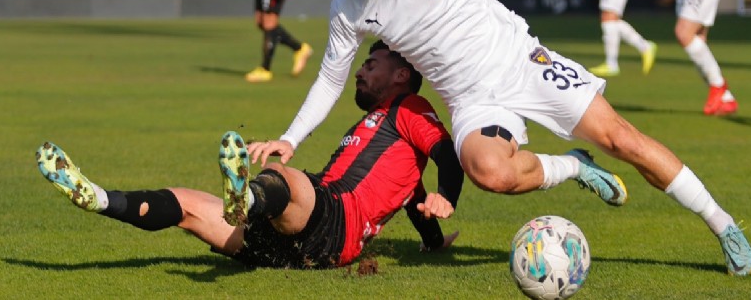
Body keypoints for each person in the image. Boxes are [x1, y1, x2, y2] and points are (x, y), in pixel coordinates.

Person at [252, 0, 751, 276]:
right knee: (488, 171)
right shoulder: (347, 6)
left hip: (520, 61)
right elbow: (330, 78)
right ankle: (574, 167)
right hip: (471, 99)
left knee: (622, 138)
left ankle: (722, 224)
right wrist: (291, 138)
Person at [36, 41, 463, 269]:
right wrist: (433, 240)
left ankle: (249, 201)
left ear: (402, 75)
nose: (361, 69)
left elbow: (447, 155)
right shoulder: (390, 140)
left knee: (287, 176)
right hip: (291, 246)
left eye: (373, 64)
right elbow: (413, 197)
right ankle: (99, 197)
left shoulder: (409, 109)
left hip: (336, 222)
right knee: (184, 203)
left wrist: (449, 194)